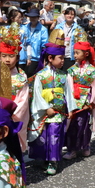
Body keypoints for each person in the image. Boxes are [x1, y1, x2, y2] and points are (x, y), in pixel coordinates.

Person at [27, 30, 76, 175]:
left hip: (58, 113)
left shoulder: (64, 75)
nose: (63, 61)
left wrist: (71, 109)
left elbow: (69, 93)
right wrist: (46, 108)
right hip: (45, 112)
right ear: (50, 58)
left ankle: (53, 162)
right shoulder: (40, 76)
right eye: (60, 58)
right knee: (43, 137)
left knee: (55, 136)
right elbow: (36, 95)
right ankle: (43, 158)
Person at [64, 39, 95, 160]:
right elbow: (68, 86)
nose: (74, 55)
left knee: (84, 125)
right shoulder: (71, 70)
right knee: (73, 125)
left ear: (86, 54)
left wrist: (91, 103)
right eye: (74, 53)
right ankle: (72, 149)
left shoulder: (93, 71)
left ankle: (86, 146)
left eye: (77, 53)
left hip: (86, 100)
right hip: (73, 99)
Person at [0, 23, 30, 152]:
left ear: (17, 58)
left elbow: (23, 102)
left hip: (13, 117)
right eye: (4, 56)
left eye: (11, 56)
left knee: (12, 148)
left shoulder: (21, 77)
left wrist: (9, 115)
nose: (7, 60)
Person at [54, 6, 87, 71]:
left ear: (74, 16)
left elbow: (82, 43)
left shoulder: (79, 28)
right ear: (64, 15)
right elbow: (53, 41)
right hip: (60, 55)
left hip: (71, 56)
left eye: (72, 14)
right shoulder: (58, 27)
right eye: (68, 14)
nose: (70, 16)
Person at [20, 7, 48, 77]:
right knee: (22, 75)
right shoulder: (24, 27)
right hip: (24, 56)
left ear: (38, 17)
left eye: (35, 17)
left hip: (35, 56)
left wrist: (44, 58)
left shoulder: (43, 29)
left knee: (30, 74)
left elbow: (44, 45)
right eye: (31, 17)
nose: (33, 19)